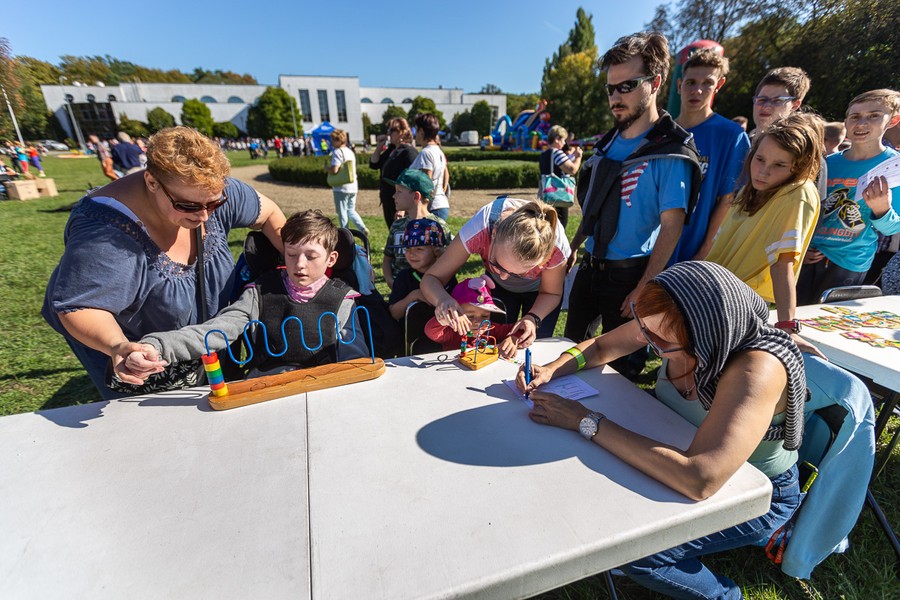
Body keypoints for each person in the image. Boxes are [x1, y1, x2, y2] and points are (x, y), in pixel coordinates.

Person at [517, 260, 805, 600]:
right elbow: (600, 347)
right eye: (644, 328)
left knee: (636, 550)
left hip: (759, 495)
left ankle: (726, 595)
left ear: (707, 335)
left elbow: (699, 479)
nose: (646, 341)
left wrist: (585, 421)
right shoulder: (674, 325)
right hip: (675, 447)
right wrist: (553, 368)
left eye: (661, 342)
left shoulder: (756, 370)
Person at [42, 126, 287, 399]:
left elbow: (269, 214)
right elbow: (81, 307)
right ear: (151, 182)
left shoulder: (204, 190)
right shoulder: (105, 237)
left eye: (214, 204)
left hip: (197, 336)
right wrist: (118, 346)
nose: (204, 216)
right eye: (188, 206)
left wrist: (300, 262)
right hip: (132, 342)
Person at [564, 31, 702, 379]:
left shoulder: (670, 150)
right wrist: (575, 247)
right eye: (610, 88)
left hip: (629, 276)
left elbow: (672, 226)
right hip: (590, 267)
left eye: (627, 86)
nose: (615, 97)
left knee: (620, 374)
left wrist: (645, 286)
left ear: (655, 83)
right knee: (568, 354)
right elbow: (594, 206)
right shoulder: (608, 144)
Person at [120, 210, 368, 380]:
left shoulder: (343, 299)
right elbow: (215, 331)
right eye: (292, 254)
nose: (300, 264)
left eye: (311, 256)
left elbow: (356, 361)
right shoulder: (259, 293)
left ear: (331, 259)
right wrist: (157, 346)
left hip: (322, 387)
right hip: (265, 388)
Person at [706, 113, 824, 356]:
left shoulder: (799, 192)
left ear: (799, 166)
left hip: (740, 309)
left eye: (779, 165)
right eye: (759, 159)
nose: (763, 171)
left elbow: (783, 264)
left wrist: (787, 327)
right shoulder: (748, 191)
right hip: (710, 296)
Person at [798, 89, 900, 304]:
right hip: (807, 257)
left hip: (850, 262)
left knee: (827, 319)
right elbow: (804, 212)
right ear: (846, 122)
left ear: (893, 120)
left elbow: (893, 228)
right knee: (795, 315)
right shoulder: (825, 163)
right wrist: (802, 248)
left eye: (874, 115)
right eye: (855, 116)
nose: (861, 123)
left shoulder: (895, 167)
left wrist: (882, 210)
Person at [420, 197, 570, 344]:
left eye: (518, 273)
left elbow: (551, 293)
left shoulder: (556, 247)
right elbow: (431, 278)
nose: (504, 277)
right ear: (493, 234)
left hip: (541, 295)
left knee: (535, 344)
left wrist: (533, 318)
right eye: (497, 265)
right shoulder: (480, 228)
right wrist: (442, 299)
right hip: (497, 287)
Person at [672, 48, 750, 263]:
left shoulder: (732, 136)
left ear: (719, 85)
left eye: (707, 83)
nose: (697, 90)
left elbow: (728, 200)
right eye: (690, 82)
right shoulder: (661, 131)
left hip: (691, 255)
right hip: (645, 252)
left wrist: (703, 253)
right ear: (679, 85)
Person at [750, 66, 828, 202]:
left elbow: (811, 207)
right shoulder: (743, 142)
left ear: (795, 105)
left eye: (777, 101)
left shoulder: (808, 157)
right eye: (761, 99)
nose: (766, 106)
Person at [382, 169, 451, 289]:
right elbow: (388, 258)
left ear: (416, 196)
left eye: (399, 191)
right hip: (400, 289)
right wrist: (389, 280)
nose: (394, 196)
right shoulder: (397, 226)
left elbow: (449, 261)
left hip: (431, 290)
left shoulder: (438, 227)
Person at [424, 275, 521, 357]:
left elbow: (520, 328)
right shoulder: (452, 332)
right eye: (470, 316)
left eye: (485, 316)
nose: (478, 322)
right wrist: (447, 319)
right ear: (455, 313)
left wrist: (513, 338)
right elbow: (430, 331)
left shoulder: (492, 329)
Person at [388, 218, 457, 321]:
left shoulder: (446, 276)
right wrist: (414, 296)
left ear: (436, 251)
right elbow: (394, 313)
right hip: (409, 330)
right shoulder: (404, 277)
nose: (411, 254)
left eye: (419, 249)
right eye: (407, 248)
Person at [369, 117, 419, 227]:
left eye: (391, 130)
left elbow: (412, 180)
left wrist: (403, 208)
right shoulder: (391, 150)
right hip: (389, 199)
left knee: (402, 232)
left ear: (402, 132)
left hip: (401, 203)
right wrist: (379, 146)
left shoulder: (409, 152)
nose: (388, 134)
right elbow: (373, 164)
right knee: (393, 231)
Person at [539, 125, 583, 228]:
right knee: (560, 225)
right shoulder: (557, 153)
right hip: (558, 195)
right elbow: (572, 170)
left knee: (548, 226)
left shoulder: (544, 154)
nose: (564, 144)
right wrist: (578, 157)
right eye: (563, 140)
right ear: (557, 139)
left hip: (546, 195)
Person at [410, 113, 450, 220]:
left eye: (416, 129)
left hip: (432, 208)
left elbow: (426, 182)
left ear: (421, 131)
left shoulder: (426, 153)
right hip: (440, 204)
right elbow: (446, 176)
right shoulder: (438, 150)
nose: (415, 134)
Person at [328, 128, 367, 236]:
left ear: (338, 140)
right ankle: (362, 228)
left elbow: (335, 169)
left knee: (342, 212)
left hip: (341, 187)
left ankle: (345, 233)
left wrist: (327, 169)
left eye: (333, 140)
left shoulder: (337, 152)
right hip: (353, 186)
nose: (332, 142)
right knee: (351, 210)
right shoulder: (350, 151)